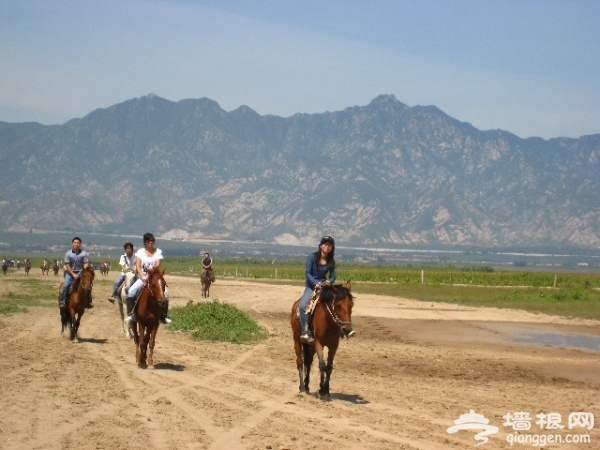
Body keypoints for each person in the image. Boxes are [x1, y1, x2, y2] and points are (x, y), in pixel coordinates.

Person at [124, 233, 172, 324]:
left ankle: (164, 315)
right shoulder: (140, 252)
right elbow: (138, 266)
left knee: (166, 294)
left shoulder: (158, 252)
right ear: (145, 242)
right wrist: (143, 276)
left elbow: (158, 264)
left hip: (154, 276)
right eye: (149, 241)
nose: (151, 242)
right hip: (143, 277)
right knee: (131, 291)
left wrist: (153, 269)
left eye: (153, 240)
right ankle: (132, 314)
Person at [298, 235, 337, 344]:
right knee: (302, 306)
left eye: (330, 245)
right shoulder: (312, 257)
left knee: (338, 303)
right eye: (325, 244)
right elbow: (308, 273)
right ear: (320, 246)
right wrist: (316, 283)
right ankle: (305, 331)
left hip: (324, 285)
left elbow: (333, 275)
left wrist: (330, 281)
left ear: (332, 248)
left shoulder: (331, 261)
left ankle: (340, 327)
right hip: (312, 285)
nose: (327, 247)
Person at [60, 236, 92, 309]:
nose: (76, 244)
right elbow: (67, 265)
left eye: (78, 243)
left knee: (87, 286)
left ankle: (89, 301)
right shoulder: (68, 254)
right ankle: (63, 301)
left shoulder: (84, 253)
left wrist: (83, 268)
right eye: (75, 243)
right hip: (70, 273)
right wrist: (73, 274)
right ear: (72, 244)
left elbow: (86, 263)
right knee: (66, 285)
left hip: (81, 273)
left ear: (80, 244)